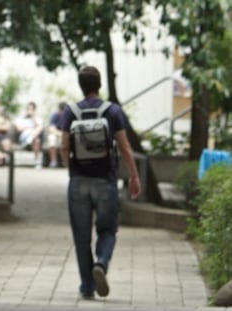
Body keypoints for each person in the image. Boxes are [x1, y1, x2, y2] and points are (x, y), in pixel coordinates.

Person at [60, 66, 141, 299]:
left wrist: (72, 170)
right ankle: (102, 264)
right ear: (100, 85)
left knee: (81, 236)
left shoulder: (70, 111)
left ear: (81, 86)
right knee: (107, 229)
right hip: (105, 181)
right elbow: (125, 147)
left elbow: (64, 146)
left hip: (78, 181)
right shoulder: (112, 111)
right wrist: (134, 176)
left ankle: (87, 286)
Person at [14, 102, 44, 169]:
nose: (29, 111)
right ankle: (29, 140)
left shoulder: (38, 119)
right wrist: (28, 128)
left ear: (34, 110)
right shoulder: (21, 118)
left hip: (34, 138)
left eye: (31, 109)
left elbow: (40, 128)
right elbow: (18, 129)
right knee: (35, 138)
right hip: (24, 138)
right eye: (28, 109)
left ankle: (37, 162)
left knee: (36, 140)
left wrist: (33, 118)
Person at [47, 102, 66, 168]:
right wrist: (60, 134)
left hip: (65, 134)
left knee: (64, 141)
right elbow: (51, 129)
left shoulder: (68, 116)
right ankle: (53, 161)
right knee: (52, 139)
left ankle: (65, 161)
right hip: (57, 134)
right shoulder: (55, 115)